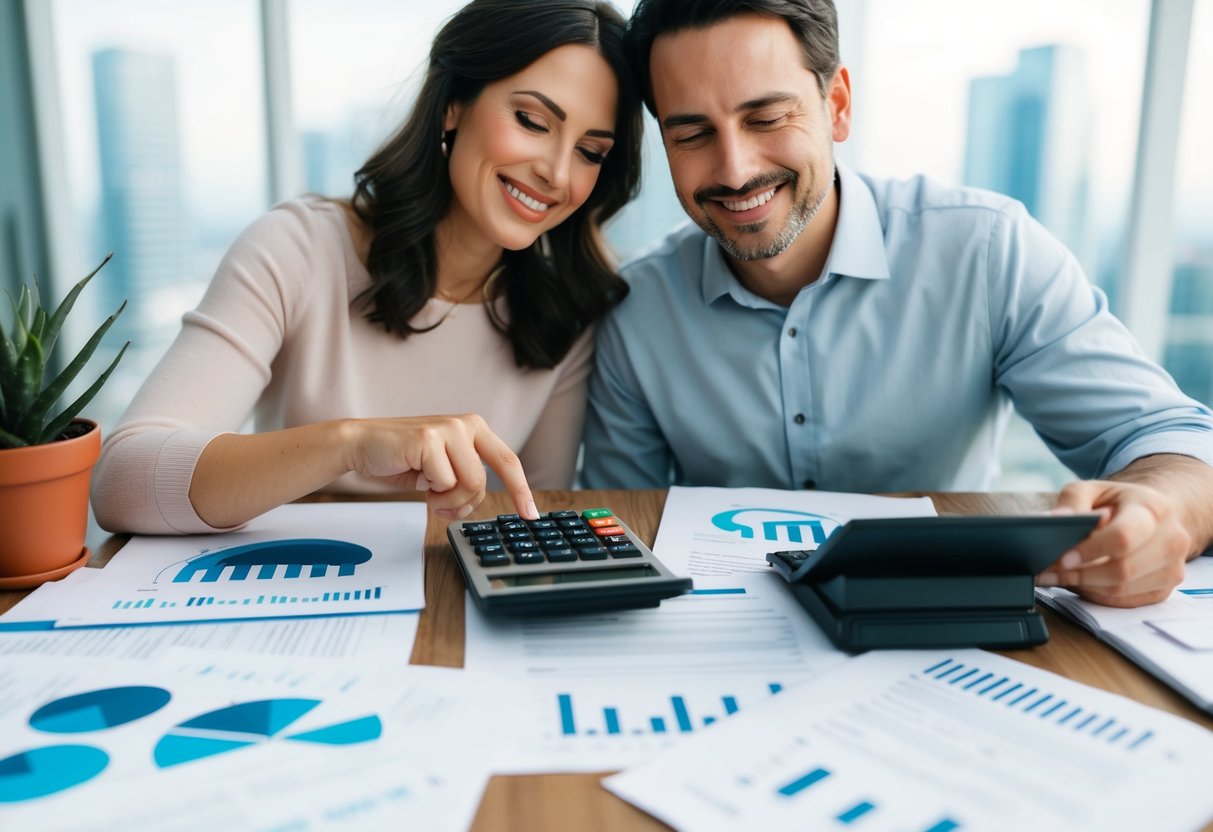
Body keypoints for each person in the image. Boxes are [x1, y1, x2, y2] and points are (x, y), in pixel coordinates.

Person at [581, 0, 1213, 608]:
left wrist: (1162, 511)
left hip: (956, 622)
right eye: (693, 134)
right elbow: (620, 524)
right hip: (729, 637)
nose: (736, 169)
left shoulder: (986, 251)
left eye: (767, 118)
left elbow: (1170, 438)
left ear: (837, 106)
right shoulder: (636, 310)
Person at [92, 0, 641, 535]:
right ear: (453, 104)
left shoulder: (567, 307)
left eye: (590, 152)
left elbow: (535, 518)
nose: (557, 174)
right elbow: (122, 481)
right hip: (287, 578)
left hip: (446, 587)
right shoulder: (300, 248)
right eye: (532, 121)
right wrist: (350, 444)